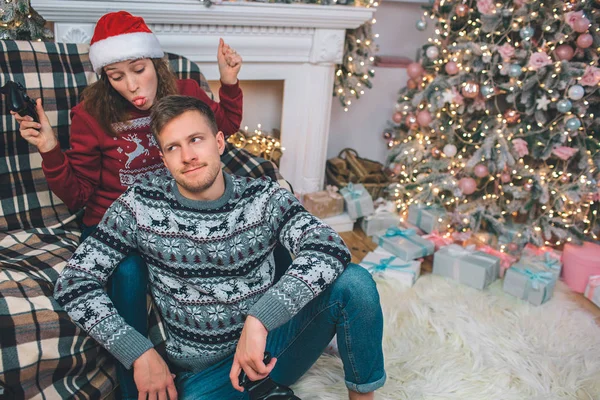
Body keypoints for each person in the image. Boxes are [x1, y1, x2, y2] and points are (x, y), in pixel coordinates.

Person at [54, 95, 386, 400]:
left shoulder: (263, 197)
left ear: (219, 141)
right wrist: (139, 352)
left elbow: (329, 247)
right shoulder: (140, 205)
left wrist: (260, 320)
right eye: (173, 147)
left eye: (196, 140)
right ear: (163, 158)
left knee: (354, 283)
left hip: (271, 348)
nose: (187, 156)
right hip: (200, 375)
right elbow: (74, 282)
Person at [10, 11, 243, 399]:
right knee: (130, 272)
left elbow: (223, 129)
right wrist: (49, 147)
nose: (133, 85)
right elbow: (79, 195)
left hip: (174, 214)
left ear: (154, 61)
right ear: (106, 77)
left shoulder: (184, 90)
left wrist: (229, 83)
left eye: (139, 69)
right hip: (115, 222)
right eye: (118, 76)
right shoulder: (91, 114)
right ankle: (137, 380)